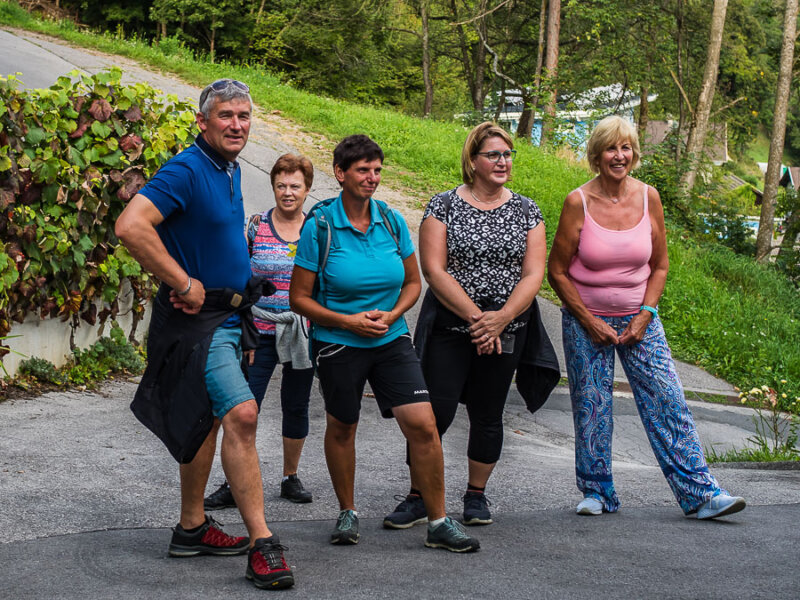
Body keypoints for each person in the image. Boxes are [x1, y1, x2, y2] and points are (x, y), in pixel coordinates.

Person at [115, 79, 295, 590]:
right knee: (242, 412)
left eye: (244, 116)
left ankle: (191, 527)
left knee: (207, 417)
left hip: (227, 315)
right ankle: (263, 543)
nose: (237, 125)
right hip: (198, 322)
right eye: (226, 116)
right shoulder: (187, 168)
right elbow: (131, 225)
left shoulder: (228, 168)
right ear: (203, 122)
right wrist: (184, 281)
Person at [547, 115, 746, 520]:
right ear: (596, 155)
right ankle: (597, 492)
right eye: (610, 148)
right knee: (592, 405)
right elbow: (557, 271)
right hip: (588, 321)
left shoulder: (649, 197)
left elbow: (659, 265)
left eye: (625, 148)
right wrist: (588, 320)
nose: (619, 156)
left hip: (641, 321)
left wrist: (645, 314)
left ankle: (701, 495)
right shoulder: (577, 202)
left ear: (634, 154)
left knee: (668, 402)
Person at [289, 134, 480, 553]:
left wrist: (393, 316)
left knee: (424, 425)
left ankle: (438, 521)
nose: (372, 177)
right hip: (339, 342)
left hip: (391, 338)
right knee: (343, 424)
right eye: (362, 170)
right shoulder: (320, 226)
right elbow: (298, 298)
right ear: (340, 173)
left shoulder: (391, 220)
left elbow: (413, 282)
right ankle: (347, 511)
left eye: (377, 170)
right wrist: (347, 321)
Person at [384, 122, 548, 530]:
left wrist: (502, 319)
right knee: (433, 414)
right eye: (493, 154)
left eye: (507, 154)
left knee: (489, 412)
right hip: (451, 328)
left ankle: (476, 494)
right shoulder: (444, 206)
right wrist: (479, 319)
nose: (502, 161)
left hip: (507, 328)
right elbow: (434, 269)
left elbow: (533, 274)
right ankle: (419, 495)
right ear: (472, 161)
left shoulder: (528, 210)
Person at [204, 154, 316, 510]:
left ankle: (290, 477)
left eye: (295, 186)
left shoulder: (316, 230)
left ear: (307, 189)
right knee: (243, 406)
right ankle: (233, 482)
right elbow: (241, 278)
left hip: (302, 332)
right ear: (273, 187)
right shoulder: (256, 226)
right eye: (281, 185)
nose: (287, 192)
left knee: (295, 405)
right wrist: (243, 332)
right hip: (259, 330)